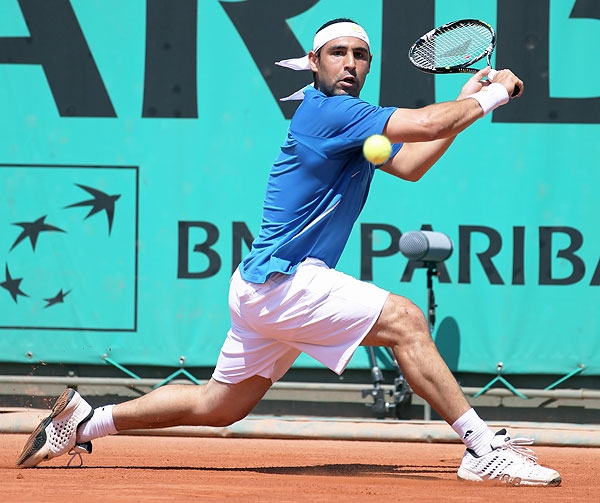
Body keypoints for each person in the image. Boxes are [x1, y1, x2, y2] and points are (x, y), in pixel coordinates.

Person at [17, 18, 561, 486]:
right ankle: (483, 448)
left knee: (219, 406)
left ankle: (84, 422)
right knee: (406, 320)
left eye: (360, 55)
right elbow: (427, 122)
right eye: (338, 53)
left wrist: (467, 101)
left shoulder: (351, 120)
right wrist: (490, 95)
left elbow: (413, 162)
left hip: (259, 286)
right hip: (284, 280)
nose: (350, 63)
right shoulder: (329, 113)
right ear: (313, 62)